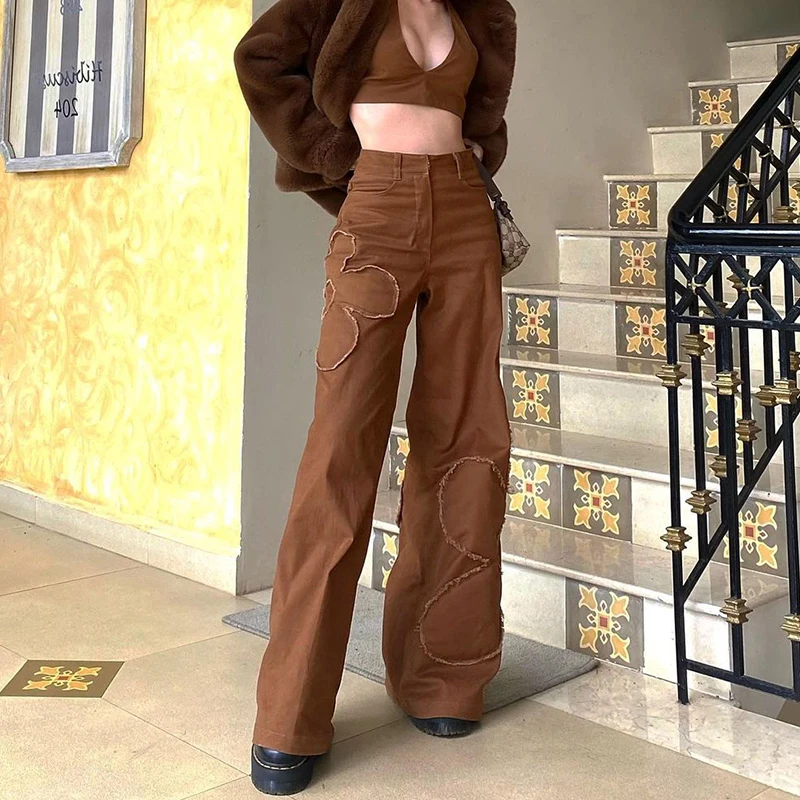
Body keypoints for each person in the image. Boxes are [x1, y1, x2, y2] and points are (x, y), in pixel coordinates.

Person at [233, 0, 517, 793]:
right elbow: (261, 60)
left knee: (469, 441)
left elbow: (484, 107)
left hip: (465, 214)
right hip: (378, 212)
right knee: (340, 452)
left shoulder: (479, 10)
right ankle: (290, 715)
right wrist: (337, 156)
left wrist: (477, 150)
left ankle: (443, 676)